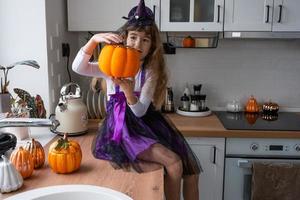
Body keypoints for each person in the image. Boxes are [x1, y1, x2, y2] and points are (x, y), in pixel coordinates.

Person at [72, 0, 202, 199]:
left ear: (152, 45)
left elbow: (140, 111)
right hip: (124, 129)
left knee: (190, 171)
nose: (138, 44)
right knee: (173, 163)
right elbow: (79, 68)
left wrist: (128, 90)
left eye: (145, 40)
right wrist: (94, 40)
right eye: (133, 37)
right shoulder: (111, 65)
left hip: (147, 123)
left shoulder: (150, 70)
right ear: (124, 38)